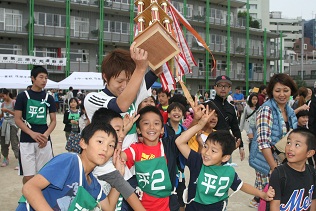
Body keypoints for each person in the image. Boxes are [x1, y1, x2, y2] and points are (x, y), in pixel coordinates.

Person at [16, 123, 143, 211]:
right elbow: (29, 187)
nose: (105, 148)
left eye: (111, 145)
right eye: (100, 141)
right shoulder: (70, 161)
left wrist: (119, 176)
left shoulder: (92, 183)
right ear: (83, 143)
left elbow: (109, 207)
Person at [175, 108, 275, 211]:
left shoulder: (228, 171)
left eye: (213, 151)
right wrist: (199, 125)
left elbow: (242, 185)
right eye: (205, 146)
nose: (207, 152)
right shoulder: (197, 161)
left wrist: (262, 194)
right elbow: (179, 142)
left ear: (225, 157)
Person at [249, 73, 298, 208]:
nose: (282, 94)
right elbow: (263, 142)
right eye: (277, 91)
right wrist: (274, 169)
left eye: (286, 90)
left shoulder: (290, 110)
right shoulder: (267, 109)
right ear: (271, 92)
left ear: (291, 91)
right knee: (270, 200)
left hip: (283, 161)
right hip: (268, 163)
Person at [121, 106, 181, 211]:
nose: (152, 127)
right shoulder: (135, 149)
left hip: (168, 206)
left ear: (162, 129)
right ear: (138, 129)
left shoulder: (168, 146)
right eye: (146, 123)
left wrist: (198, 122)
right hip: (141, 207)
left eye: (156, 123)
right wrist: (123, 133)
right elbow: (117, 157)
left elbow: (185, 137)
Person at [91, 108, 145, 211]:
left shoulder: (114, 160)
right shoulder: (104, 165)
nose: (122, 134)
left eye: (123, 129)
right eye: (117, 130)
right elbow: (130, 196)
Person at [14, 66, 57, 184]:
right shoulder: (23, 96)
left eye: (46, 78)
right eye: (41, 77)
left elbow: (53, 120)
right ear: (33, 78)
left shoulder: (49, 98)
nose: (44, 80)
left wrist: (46, 135)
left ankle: (39, 198)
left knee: (44, 174)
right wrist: (31, 133)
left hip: (44, 141)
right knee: (28, 176)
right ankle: (27, 197)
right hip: (26, 140)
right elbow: (17, 119)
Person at [269, 128, 316, 211]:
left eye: (297, 145)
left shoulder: (312, 172)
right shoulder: (279, 174)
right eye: (288, 143)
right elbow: (274, 206)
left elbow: (313, 200)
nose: (290, 148)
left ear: (309, 153)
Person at [209, 75, 245, 160]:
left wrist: (241, 146)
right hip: (211, 144)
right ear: (215, 87)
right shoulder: (208, 105)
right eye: (220, 86)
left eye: (226, 86)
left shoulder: (231, 108)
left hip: (226, 146)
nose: (223, 88)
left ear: (229, 89)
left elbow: (235, 128)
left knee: (226, 170)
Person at [164, 102, 187, 211]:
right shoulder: (163, 129)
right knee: (167, 196)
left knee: (181, 197)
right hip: (166, 168)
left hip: (180, 169)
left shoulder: (185, 130)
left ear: (183, 115)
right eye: (174, 110)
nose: (177, 113)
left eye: (179, 111)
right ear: (168, 114)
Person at [0, 88, 19, 168]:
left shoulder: (14, 102)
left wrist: (7, 111)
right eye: (1, 97)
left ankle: (19, 160)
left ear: (7, 94)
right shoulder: (2, 104)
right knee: (3, 143)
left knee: (14, 142)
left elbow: (17, 114)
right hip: (4, 125)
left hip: (13, 125)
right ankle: (5, 158)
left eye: (3, 96)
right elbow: (2, 115)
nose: (2, 98)